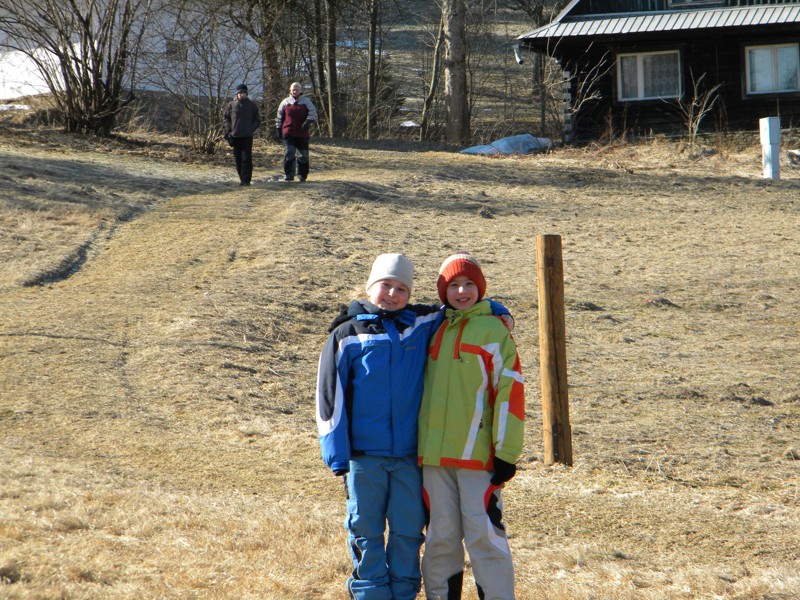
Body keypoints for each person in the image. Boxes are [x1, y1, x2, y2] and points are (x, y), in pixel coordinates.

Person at [315, 253, 512, 600]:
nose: (392, 294)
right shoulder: (347, 334)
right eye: (385, 286)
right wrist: (337, 455)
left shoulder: (420, 323)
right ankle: (370, 593)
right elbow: (330, 398)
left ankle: (404, 592)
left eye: (401, 288)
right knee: (365, 530)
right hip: (364, 457)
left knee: (408, 532)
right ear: (370, 286)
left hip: (409, 456)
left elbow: (460, 304)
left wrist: (494, 307)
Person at [418, 252, 525, 600]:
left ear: (481, 289)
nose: (461, 291)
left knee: (485, 537)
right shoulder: (432, 328)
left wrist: (507, 452)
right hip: (434, 460)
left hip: (480, 458)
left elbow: (511, 393)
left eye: (469, 284)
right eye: (453, 285)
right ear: (442, 291)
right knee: (440, 538)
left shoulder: (494, 330)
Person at [275, 82, 317, 182]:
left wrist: (308, 122)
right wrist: (278, 129)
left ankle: (302, 175)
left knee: (303, 155)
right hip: (288, 131)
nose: (295, 91)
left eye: (297, 90)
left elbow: (313, 113)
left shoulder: (306, 101)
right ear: (290, 90)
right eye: (293, 90)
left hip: (302, 132)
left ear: (300, 91)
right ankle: (289, 174)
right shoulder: (285, 102)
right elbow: (279, 116)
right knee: (289, 152)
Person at [222, 84, 261, 186]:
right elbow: (226, 118)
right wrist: (229, 129)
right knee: (238, 158)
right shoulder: (231, 105)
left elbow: (257, 120)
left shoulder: (252, 105)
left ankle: (246, 180)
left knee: (246, 158)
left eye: (243, 93)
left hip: (247, 136)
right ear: (237, 94)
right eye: (239, 93)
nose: (241, 95)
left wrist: (251, 128)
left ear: (246, 94)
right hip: (235, 136)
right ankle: (241, 178)